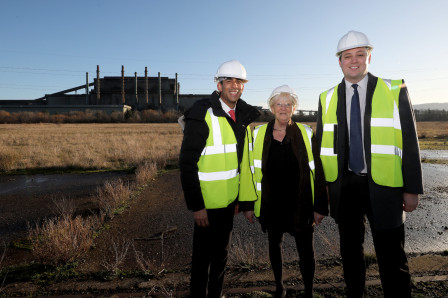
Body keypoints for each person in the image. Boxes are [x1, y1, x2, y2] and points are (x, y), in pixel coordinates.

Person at [316, 31, 423, 297]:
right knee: (351, 257)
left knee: (392, 258)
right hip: (345, 188)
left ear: (369, 57)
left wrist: (412, 188)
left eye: (360, 55)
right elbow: (322, 148)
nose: (354, 61)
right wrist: (325, 188)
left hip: (385, 187)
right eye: (347, 56)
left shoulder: (394, 88)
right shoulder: (326, 98)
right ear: (339, 62)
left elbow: (409, 140)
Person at [179, 59, 260, 298]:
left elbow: (239, 165)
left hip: (228, 204)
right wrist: (197, 206)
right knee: (201, 259)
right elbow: (187, 163)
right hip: (206, 205)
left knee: (221, 255)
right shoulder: (202, 114)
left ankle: (215, 294)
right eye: (228, 81)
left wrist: (240, 200)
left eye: (239, 81)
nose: (234, 85)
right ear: (219, 85)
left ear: (243, 85)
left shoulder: (242, 118)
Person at [243, 85, 328, 298]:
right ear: (271, 107)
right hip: (272, 204)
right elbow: (249, 171)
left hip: (301, 203)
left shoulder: (306, 134)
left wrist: (320, 206)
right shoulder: (258, 134)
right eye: (279, 104)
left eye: (288, 104)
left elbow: (318, 172)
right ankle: (279, 286)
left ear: (294, 108)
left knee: (306, 252)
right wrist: (249, 205)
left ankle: (308, 290)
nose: (283, 108)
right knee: (274, 246)